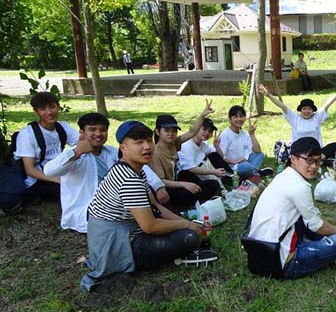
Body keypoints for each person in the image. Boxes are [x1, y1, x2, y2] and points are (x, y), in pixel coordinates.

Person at [81, 121, 203, 292]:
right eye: (138, 143)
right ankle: (131, 262)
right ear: (123, 148)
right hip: (116, 243)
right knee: (189, 238)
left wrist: (188, 222)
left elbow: (156, 207)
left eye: (148, 141)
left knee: (184, 226)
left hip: (125, 231)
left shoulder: (136, 170)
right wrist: (188, 225)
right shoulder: (128, 179)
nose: (147, 147)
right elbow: (150, 226)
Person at [247, 137, 336, 279]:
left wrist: (333, 230)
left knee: (307, 221)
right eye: (309, 160)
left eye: (317, 161)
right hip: (283, 263)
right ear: (293, 159)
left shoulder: (283, 176)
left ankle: (327, 245)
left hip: (259, 252)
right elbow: (317, 226)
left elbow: (311, 219)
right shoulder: (299, 186)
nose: (314, 166)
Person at [43, 113, 168, 234]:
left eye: (103, 130)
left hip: (114, 205)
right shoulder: (74, 155)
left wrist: (158, 186)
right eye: (92, 130)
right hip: (86, 213)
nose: (98, 134)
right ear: (81, 133)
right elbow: (49, 171)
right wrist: (76, 152)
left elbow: (139, 165)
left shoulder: (111, 152)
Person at [150, 100, 220, 207]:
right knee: (186, 193)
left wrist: (202, 115)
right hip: (168, 189)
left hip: (178, 180)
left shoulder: (174, 143)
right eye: (167, 130)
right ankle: (194, 202)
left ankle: (197, 198)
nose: (171, 134)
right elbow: (161, 181)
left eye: (174, 131)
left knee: (213, 184)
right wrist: (185, 185)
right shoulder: (156, 153)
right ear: (158, 132)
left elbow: (192, 132)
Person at [13, 92, 79, 202]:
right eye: (43, 109)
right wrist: (57, 180)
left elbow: (82, 145)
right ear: (36, 111)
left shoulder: (62, 127)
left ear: (58, 107)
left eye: (52, 107)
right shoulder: (27, 135)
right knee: (71, 190)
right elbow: (30, 170)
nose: (49, 112)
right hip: (39, 179)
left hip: (59, 171)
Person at [259, 79, 336, 159]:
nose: (306, 111)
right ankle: (315, 160)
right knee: (303, 155)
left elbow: (328, 104)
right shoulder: (295, 118)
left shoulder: (317, 117)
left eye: (309, 109)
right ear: (300, 110)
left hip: (315, 150)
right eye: (304, 109)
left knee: (334, 146)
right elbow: (282, 106)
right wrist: (269, 95)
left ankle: (316, 159)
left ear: (312, 110)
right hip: (299, 151)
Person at [217, 105, 272, 180]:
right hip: (233, 167)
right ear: (230, 119)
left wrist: (252, 134)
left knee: (260, 155)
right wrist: (235, 161)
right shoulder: (225, 134)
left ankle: (251, 174)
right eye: (236, 117)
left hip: (244, 162)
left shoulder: (243, 134)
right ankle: (256, 173)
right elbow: (221, 157)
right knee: (246, 166)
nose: (239, 119)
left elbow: (257, 151)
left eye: (241, 116)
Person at [177, 118, 233, 189]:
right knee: (213, 185)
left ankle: (233, 179)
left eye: (210, 131)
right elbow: (191, 169)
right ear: (196, 128)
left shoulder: (204, 144)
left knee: (214, 155)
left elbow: (219, 158)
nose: (207, 133)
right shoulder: (186, 145)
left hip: (203, 173)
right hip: (188, 176)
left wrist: (217, 146)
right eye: (204, 129)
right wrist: (214, 172)